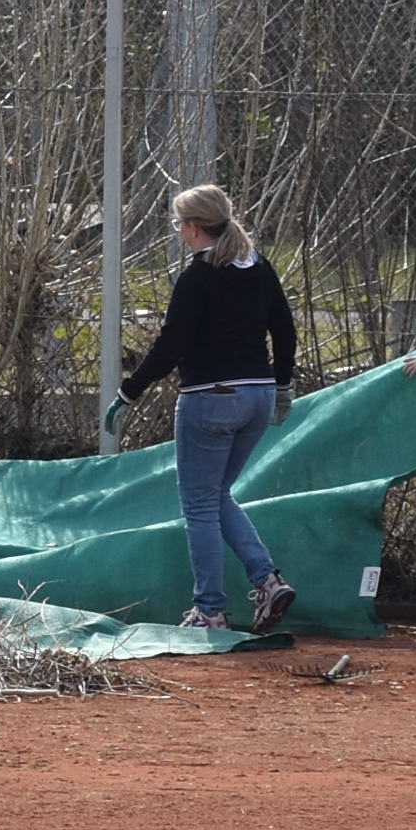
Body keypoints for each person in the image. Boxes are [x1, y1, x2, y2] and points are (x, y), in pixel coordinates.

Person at [114, 182, 298, 635]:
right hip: (258, 395)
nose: (179, 231)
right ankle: (267, 580)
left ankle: (210, 609)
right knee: (216, 495)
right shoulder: (259, 268)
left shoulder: (196, 277)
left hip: (211, 397)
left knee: (198, 504)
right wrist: (282, 384)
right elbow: (285, 329)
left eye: (180, 224)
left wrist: (130, 391)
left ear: (194, 228)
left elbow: (172, 343)